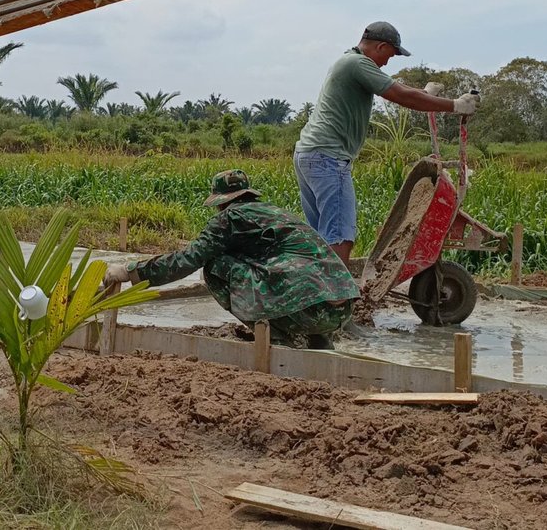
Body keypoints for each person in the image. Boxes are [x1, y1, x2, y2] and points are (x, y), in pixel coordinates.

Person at [102, 170, 359, 349]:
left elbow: (187, 259)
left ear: (221, 202)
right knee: (290, 270)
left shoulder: (229, 218)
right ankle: (319, 342)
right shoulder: (275, 212)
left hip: (307, 311)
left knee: (215, 266)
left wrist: (131, 271)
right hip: (342, 309)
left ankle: (274, 337)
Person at [294, 21, 477, 266]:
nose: (387, 63)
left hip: (309, 155)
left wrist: (425, 94)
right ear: (380, 47)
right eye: (389, 56)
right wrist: (456, 105)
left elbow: (399, 88)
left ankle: (318, 286)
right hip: (328, 157)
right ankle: (337, 290)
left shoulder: (348, 61)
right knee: (339, 236)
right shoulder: (358, 64)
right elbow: (400, 95)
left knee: (322, 236)